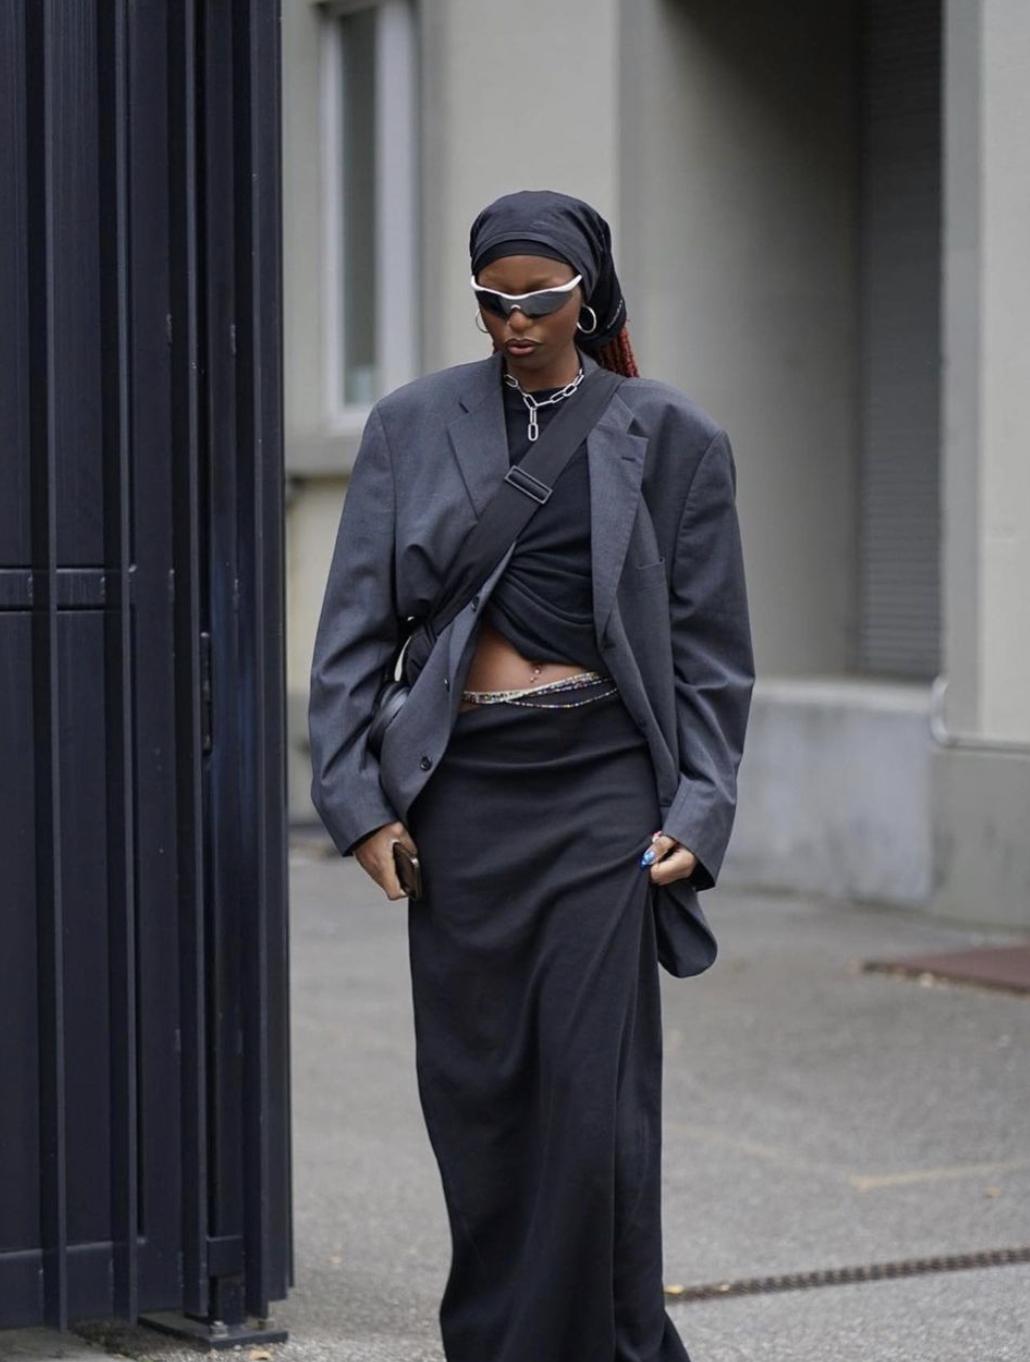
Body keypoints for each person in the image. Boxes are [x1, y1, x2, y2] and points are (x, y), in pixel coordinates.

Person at [309, 190, 754, 1362]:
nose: (515, 322)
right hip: (459, 791)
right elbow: (354, 629)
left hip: (603, 791)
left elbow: (712, 654)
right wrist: (356, 806)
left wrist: (701, 813)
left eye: (540, 300)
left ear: (585, 296)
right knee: (478, 1096)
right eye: (492, 302)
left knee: (590, 1104)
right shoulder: (411, 425)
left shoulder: (669, 435)